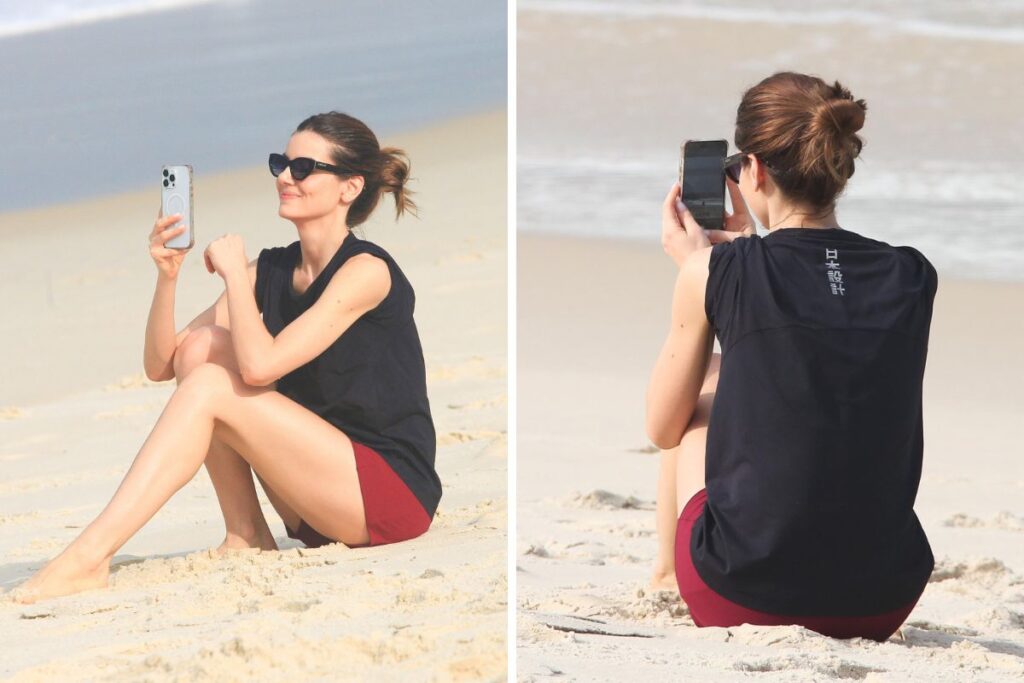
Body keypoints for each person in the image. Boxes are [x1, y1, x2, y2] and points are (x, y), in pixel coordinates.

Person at [13, 111, 441, 604]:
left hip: (386, 497)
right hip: (312, 495)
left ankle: (88, 556)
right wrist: (168, 275)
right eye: (281, 163)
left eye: (303, 168)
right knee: (202, 352)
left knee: (217, 383)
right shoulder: (273, 269)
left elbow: (260, 368)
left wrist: (238, 278)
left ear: (349, 188)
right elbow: (165, 365)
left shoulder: (366, 272)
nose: (284, 177)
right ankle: (246, 534)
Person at [645, 71, 937, 641]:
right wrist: (747, 256)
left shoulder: (719, 269)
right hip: (881, 599)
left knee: (706, 379)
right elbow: (827, 353)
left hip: (736, 593)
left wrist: (700, 272)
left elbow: (660, 428)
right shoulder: (911, 273)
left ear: (751, 170)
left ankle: (663, 571)